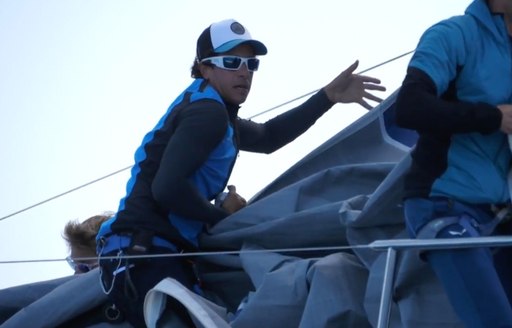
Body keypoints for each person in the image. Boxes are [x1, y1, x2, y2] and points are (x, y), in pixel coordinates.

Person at [96, 18, 386, 327]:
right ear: (205, 68)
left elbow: (268, 137)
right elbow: (167, 189)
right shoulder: (207, 114)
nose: (244, 71)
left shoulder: (212, 109)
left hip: (144, 254)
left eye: (251, 64)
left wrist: (327, 96)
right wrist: (229, 220)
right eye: (232, 62)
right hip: (146, 253)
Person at [395, 0, 512, 326]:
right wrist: (492, 117)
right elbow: (409, 107)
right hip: (443, 206)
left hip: (501, 214)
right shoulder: (453, 35)